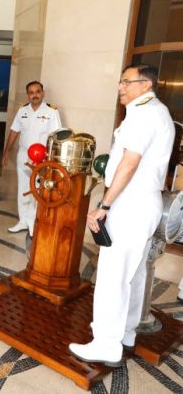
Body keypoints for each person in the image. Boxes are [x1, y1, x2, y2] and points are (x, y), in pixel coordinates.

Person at [69, 64, 174, 367]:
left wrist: (104, 205)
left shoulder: (143, 115)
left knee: (113, 276)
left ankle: (106, 344)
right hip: (145, 203)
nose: (120, 87)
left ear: (146, 84)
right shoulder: (159, 112)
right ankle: (126, 333)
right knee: (135, 273)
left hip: (130, 204)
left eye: (127, 82)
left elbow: (129, 163)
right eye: (120, 82)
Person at [2, 80, 61, 234]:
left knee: (38, 190)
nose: (35, 95)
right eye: (31, 92)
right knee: (23, 188)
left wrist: (52, 160)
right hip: (23, 155)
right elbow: (14, 131)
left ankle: (34, 222)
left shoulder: (51, 112)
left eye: (37, 91)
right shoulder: (22, 111)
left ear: (43, 93)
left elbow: (56, 137)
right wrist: (6, 151)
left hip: (42, 158)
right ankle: (23, 220)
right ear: (28, 95)